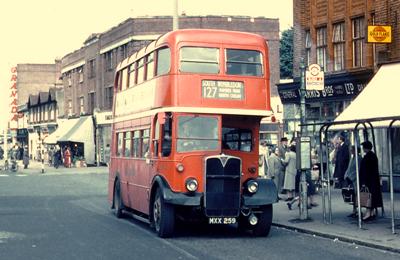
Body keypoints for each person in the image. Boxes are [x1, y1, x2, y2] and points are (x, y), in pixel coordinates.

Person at [359, 141, 383, 221]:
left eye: (363, 147)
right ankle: (371, 212)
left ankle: (368, 213)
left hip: (369, 181)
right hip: (373, 180)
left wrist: (363, 182)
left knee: (368, 196)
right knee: (372, 196)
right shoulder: (373, 156)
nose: (363, 149)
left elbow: (365, 170)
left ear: (366, 148)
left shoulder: (368, 157)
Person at [344, 145, 362, 218]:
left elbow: (358, 169)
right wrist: (346, 175)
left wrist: (351, 177)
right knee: (353, 195)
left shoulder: (359, 158)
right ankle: (354, 210)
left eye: (352, 150)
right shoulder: (352, 158)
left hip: (355, 179)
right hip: (350, 179)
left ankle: (358, 210)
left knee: (356, 195)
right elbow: (349, 168)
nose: (351, 151)